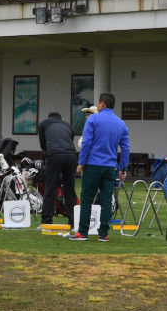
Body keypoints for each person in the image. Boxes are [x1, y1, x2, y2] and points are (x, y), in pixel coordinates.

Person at [71, 92, 130, 242]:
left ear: (102, 104)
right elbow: (125, 148)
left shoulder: (93, 119)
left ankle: (82, 232)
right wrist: (122, 169)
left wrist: (81, 163)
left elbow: (86, 143)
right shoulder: (121, 124)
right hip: (110, 167)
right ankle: (103, 234)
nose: (97, 105)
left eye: (98, 103)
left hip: (92, 165)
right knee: (106, 200)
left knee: (86, 199)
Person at [37, 112, 78, 226]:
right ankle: (73, 222)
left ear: (48, 118)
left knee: (49, 189)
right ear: (61, 119)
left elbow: (43, 145)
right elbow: (70, 140)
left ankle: (47, 221)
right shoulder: (68, 125)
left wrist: (47, 154)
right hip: (71, 156)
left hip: (54, 155)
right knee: (70, 190)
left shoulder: (43, 124)